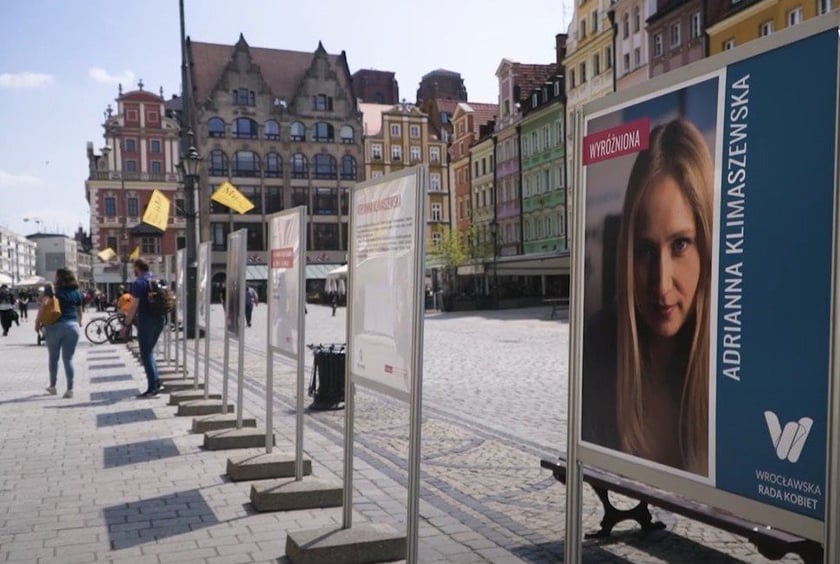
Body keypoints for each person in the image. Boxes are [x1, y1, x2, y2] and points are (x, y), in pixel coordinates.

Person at [582, 119, 713, 476]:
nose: (660, 284)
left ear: (707, 245)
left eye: (681, 244)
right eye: (644, 250)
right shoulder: (596, 345)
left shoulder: (729, 358)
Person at [35, 269, 84, 399]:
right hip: (72, 327)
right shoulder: (76, 291)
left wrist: (37, 322)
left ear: (59, 277)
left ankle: (52, 386)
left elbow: (44, 306)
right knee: (68, 359)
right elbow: (79, 310)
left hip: (54, 327)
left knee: (53, 358)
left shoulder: (52, 290)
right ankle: (70, 389)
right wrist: (79, 322)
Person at [123, 258, 165, 399]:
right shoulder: (155, 280)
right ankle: (156, 381)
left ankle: (152, 388)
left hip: (146, 321)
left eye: (133, 268)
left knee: (146, 353)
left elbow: (134, 306)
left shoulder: (139, 283)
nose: (133, 271)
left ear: (137, 268)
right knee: (148, 352)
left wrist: (126, 325)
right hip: (159, 320)